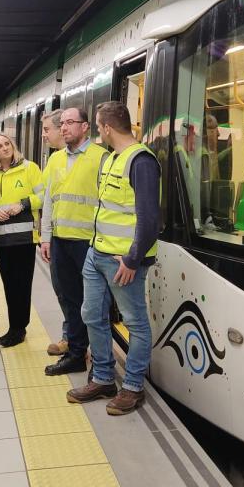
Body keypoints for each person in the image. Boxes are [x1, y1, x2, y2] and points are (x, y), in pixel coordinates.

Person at [68, 101, 161, 416]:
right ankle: (104, 378)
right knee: (92, 314)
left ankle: (133, 387)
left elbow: (149, 220)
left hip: (124, 261)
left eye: (97, 126)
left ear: (107, 127)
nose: (98, 131)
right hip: (97, 254)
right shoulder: (111, 159)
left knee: (135, 322)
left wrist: (133, 259)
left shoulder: (141, 161)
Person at [40, 107, 109, 376]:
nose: (64, 127)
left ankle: (100, 360)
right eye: (63, 123)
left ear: (85, 127)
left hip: (89, 243)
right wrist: (46, 237)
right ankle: (77, 353)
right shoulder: (56, 160)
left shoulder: (101, 158)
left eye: (71, 122)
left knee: (93, 304)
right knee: (69, 299)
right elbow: (49, 201)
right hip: (60, 242)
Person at [0, 133, 43, 347]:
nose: (4, 148)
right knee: (9, 284)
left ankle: (19, 328)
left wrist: (22, 204)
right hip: (1, 241)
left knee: (22, 284)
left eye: (7, 144)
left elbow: (42, 196)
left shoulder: (29, 168)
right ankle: (15, 327)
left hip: (24, 239)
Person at [38, 108, 69, 356]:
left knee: (73, 294)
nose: (43, 136)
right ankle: (71, 337)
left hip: (79, 240)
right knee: (64, 291)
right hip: (59, 237)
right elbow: (46, 199)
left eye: (47, 129)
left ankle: (74, 340)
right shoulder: (55, 159)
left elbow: (41, 197)